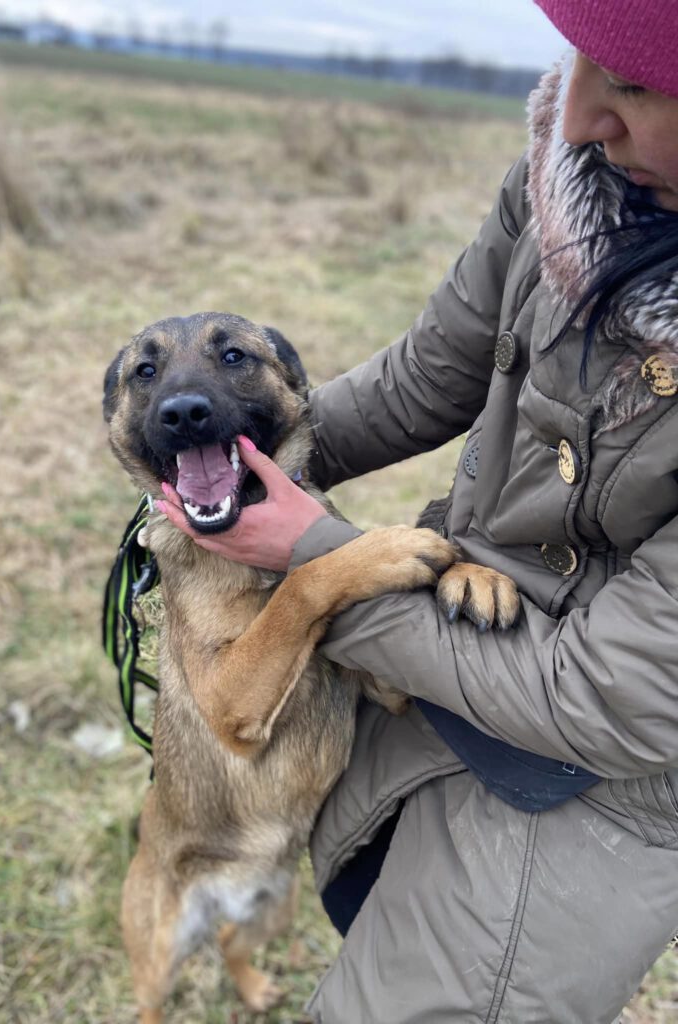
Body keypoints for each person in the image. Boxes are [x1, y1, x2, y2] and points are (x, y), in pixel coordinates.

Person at [156, 0, 678, 1020]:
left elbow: (611, 698)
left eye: (640, 85)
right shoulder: (572, 180)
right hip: (446, 680)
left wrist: (321, 567)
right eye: (579, 59)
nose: (573, 118)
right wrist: (241, 470)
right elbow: (428, 372)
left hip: (586, 795)